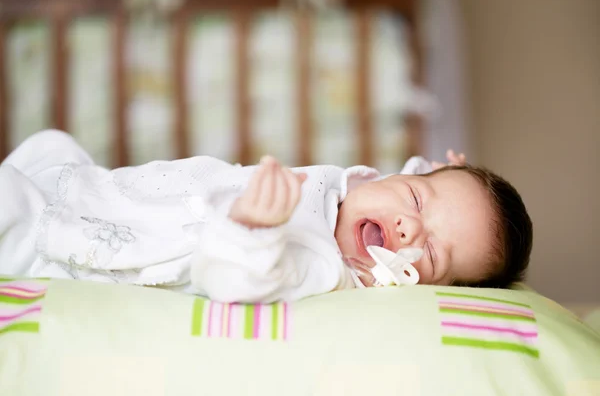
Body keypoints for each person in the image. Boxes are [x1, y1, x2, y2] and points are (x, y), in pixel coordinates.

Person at [0, 130, 532, 303]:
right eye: (417, 199)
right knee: (52, 155)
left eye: (432, 251)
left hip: (97, 250)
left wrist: (249, 229)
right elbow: (410, 190)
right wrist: (439, 173)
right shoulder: (367, 191)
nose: (410, 226)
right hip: (113, 193)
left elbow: (242, 278)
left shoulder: (332, 268)